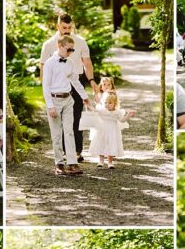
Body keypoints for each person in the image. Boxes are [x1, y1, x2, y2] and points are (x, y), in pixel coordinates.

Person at [42, 35, 90, 176]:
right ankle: (59, 163)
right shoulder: (50, 63)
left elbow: (75, 81)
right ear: (60, 46)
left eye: (72, 50)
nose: (71, 53)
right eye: (69, 50)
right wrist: (50, 106)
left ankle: (72, 163)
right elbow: (45, 86)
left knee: (69, 132)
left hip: (68, 99)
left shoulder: (70, 62)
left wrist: (85, 97)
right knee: (56, 134)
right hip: (54, 100)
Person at [90, 92, 133, 169]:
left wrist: (128, 115)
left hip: (112, 131)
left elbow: (122, 120)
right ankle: (101, 161)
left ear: (115, 103)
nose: (107, 105)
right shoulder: (102, 110)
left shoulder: (117, 112)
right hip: (102, 130)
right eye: (105, 103)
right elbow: (94, 111)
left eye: (110, 103)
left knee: (111, 144)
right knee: (101, 143)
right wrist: (88, 105)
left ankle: (110, 162)